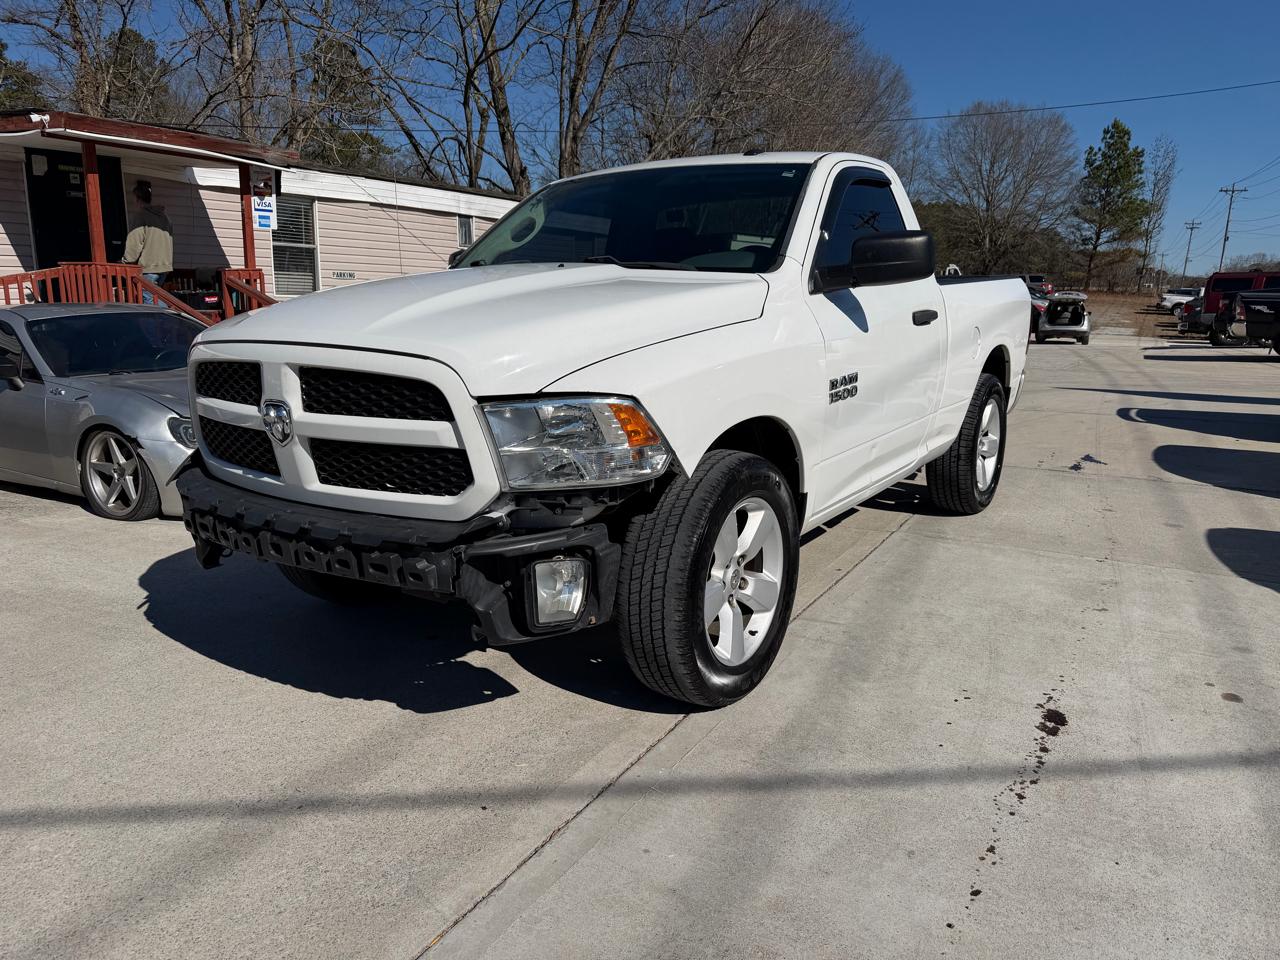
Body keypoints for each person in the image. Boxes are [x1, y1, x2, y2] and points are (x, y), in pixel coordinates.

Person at [122, 181, 173, 305]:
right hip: (164, 266)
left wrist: (126, 261)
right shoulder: (164, 217)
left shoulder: (140, 216)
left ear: (137, 198)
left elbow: (134, 243)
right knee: (155, 297)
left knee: (149, 299)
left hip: (149, 267)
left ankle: (168, 319)